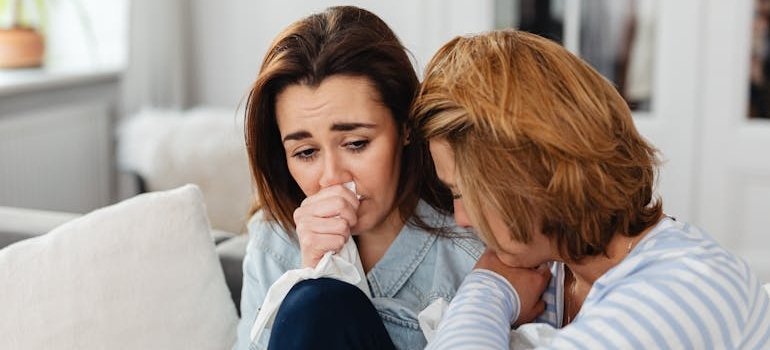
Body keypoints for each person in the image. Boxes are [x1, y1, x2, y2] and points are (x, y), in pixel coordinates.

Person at [411, 30, 770, 349]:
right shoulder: (557, 269)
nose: (461, 218)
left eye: (465, 194)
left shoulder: (681, 293)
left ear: (536, 175)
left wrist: (488, 289)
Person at [233, 6, 483, 350]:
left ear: (405, 127)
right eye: (306, 152)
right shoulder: (272, 241)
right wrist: (313, 273)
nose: (332, 179)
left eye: (356, 144)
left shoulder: (469, 253)